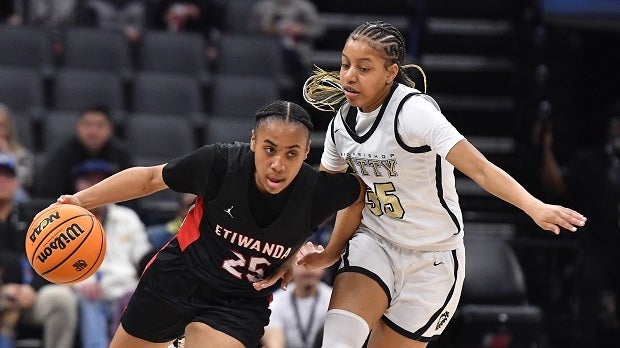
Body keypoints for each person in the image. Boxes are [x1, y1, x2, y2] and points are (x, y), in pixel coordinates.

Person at [289, 21, 587, 348]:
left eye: (364, 68)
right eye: (345, 64)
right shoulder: (340, 126)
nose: (348, 75)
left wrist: (534, 206)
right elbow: (340, 197)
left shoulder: (414, 112)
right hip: (374, 243)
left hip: (433, 259)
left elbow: (480, 168)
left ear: (390, 73)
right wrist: (322, 251)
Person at [54, 100, 365, 348]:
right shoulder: (221, 163)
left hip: (239, 300)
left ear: (306, 152)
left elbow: (359, 192)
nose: (278, 164)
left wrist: (328, 254)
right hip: (178, 278)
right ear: (254, 141)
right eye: (270, 149)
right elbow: (150, 178)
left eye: (292, 154)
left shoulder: (316, 191)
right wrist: (82, 201)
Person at [540, 113, 620, 346]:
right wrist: (545, 148)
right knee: (590, 307)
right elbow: (557, 184)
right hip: (598, 244)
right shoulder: (590, 161)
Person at [70, 159, 152, 348]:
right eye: (88, 181)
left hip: (125, 290)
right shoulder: (67, 220)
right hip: (89, 290)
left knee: (138, 298)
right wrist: (82, 283)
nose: (94, 186)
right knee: (89, 300)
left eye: (100, 182)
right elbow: (58, 262)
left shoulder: (127, 217)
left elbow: (144, 259)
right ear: (78, 186)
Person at [0, 153, 78, 348]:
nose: (2, 180)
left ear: (16, 183)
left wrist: (32, 288)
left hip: (30, 296)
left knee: (62, 299)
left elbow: (51, 258)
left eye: (7, 175)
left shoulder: (32, 218)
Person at [35, 104, 133, 199]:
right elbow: (49, 194)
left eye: (100, 125)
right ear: (78, 127)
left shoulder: (120, 155)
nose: (93, 131)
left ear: (110, 129)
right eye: (87, 124)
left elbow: (131, 194)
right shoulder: (62, 154)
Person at [248, 0, 326, 101]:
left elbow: (319, 29)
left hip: (297, 53)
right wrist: (269, 29)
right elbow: (251, 30)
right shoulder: (263, 7)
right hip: (266, 52)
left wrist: (301, 29)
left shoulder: (304, 7)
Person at [262, 246, 332, 348]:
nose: (308, 270)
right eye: (302, 264)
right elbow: (274, 343)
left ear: (324, 268)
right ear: (290, 268)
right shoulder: (276, 301)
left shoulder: (333, 298)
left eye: (315, 265)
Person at [0, 104, 36, 199]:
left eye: (1, 126)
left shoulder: (22, 155)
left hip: (12, 199)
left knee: (18, 193)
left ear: (8, 130)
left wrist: (7, 156)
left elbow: (23, 180)